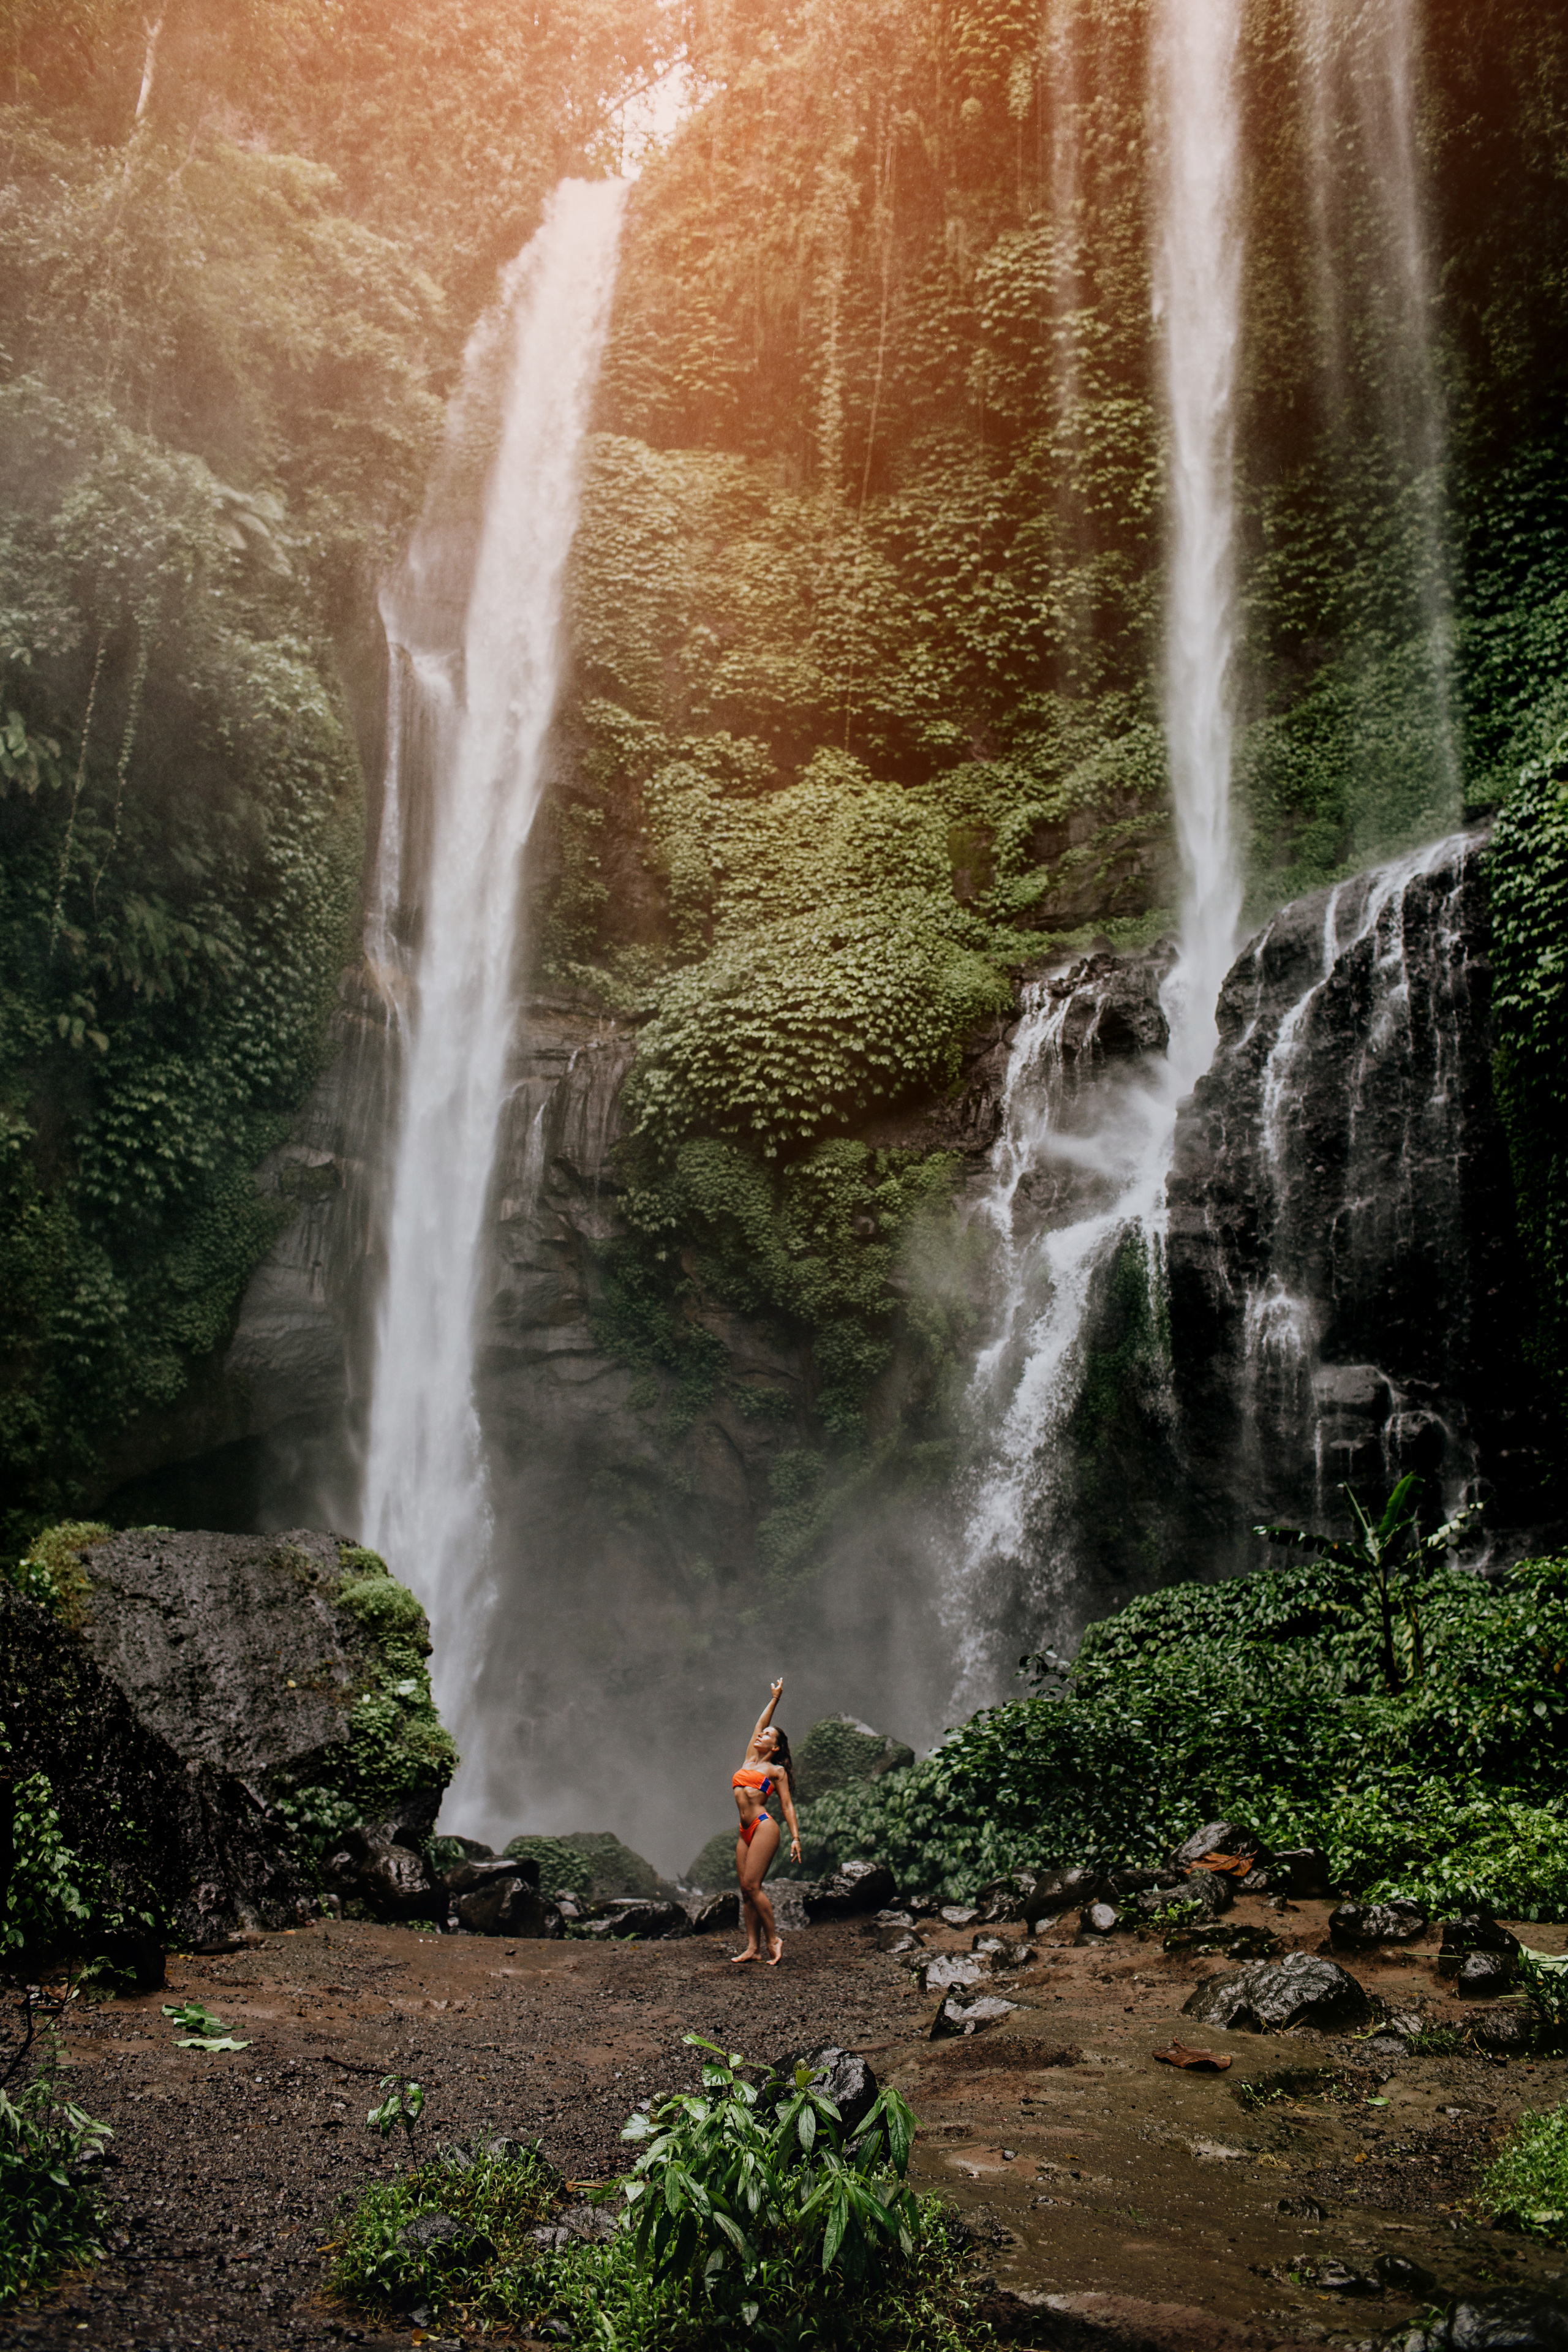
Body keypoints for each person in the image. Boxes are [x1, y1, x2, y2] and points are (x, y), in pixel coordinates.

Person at [730, 1675, 801, 1966]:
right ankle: (752, 1948)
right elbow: (758, 1725)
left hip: (764, 1827)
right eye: (762, 1734)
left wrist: (796, 1837)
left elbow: (787, 1805)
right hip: (744, 1830)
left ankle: (774, 1940)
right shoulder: (749, 1758)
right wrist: (775, 1698)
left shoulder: (775, 1771)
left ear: (774, 1747)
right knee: (745, 1891)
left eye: (767, 1736)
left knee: (753, 1886)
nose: (761, 1735)